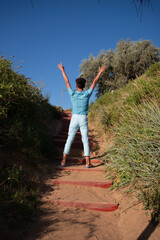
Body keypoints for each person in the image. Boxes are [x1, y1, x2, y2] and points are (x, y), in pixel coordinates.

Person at [57, 62, 106, 168]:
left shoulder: (73, 93)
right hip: (83, 118)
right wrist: (100, 72)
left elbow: (67, 82)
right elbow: (94, 82)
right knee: (85, 140)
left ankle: (63, 162)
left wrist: (62, 70)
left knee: (69, 139)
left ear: (76, 85)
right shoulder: (87, 94)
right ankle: (88, 163)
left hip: (74, 118)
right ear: (84, 86)